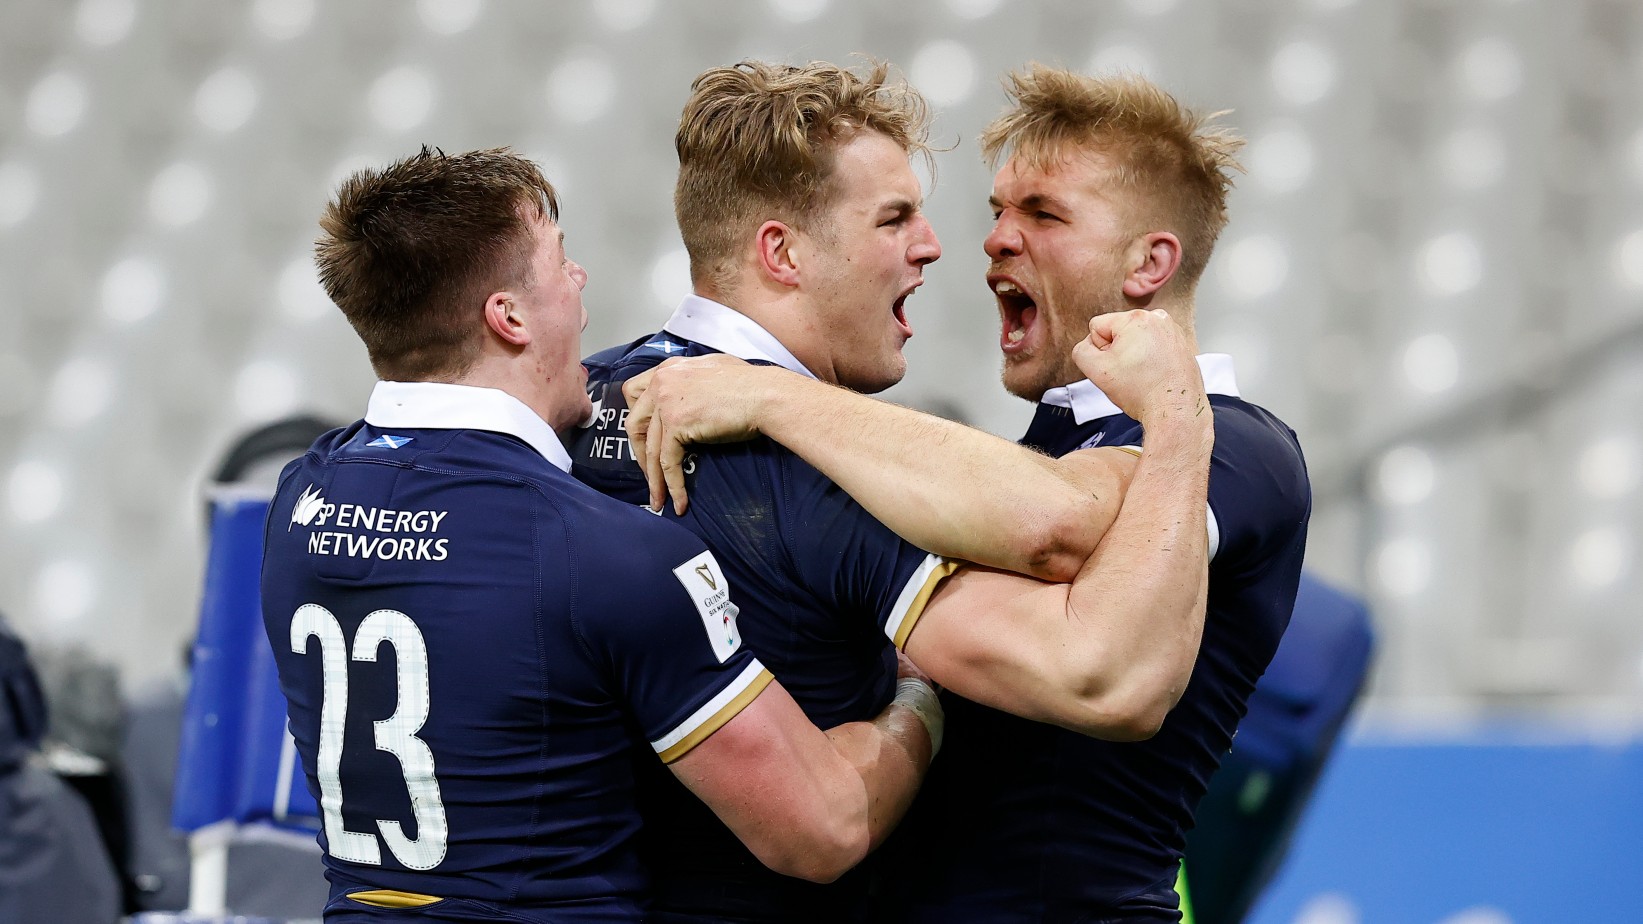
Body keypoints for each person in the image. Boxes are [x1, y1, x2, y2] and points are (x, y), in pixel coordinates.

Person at [623, 66, 1311, 922]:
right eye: (997, 211)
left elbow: (1059, 518)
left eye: (1043, 215)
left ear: (1149, 262)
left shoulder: (1230, 445)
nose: (989, 241)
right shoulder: (1040, 444)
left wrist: (768, 392)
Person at [259, 146, 940, 923]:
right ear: (508, 316)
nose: (580, 280)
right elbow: (824, 828)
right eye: (558, 263)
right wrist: (917, 697)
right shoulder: (604, 551)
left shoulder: (300, 497)